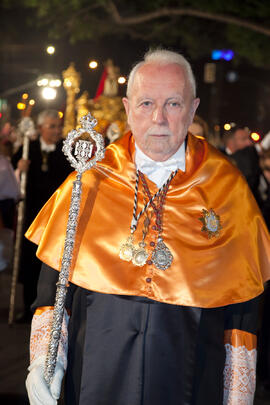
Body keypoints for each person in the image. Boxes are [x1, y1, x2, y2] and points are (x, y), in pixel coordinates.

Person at [25, 50, 270, 405]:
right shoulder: (90, 179)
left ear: (193, 107)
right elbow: (52, 294)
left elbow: (243, 316)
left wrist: (238, 398)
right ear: (126, 108)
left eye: (173, 103)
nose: (159, 118)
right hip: (94, 378)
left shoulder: (228, 189)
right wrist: (44, 363)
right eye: (146, 104)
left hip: (191, 381)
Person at [11, 109, 72, 322]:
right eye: (52, 126)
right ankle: (29, 308)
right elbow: (11, 179)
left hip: (57, 216)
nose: (57, 130)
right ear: (40, 128)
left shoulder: (67, 150)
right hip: (32, 215)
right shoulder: (28, 149)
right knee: (30, 262)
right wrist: (19, 168)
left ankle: (52, 310)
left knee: (53, 265)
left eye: (58, 126)